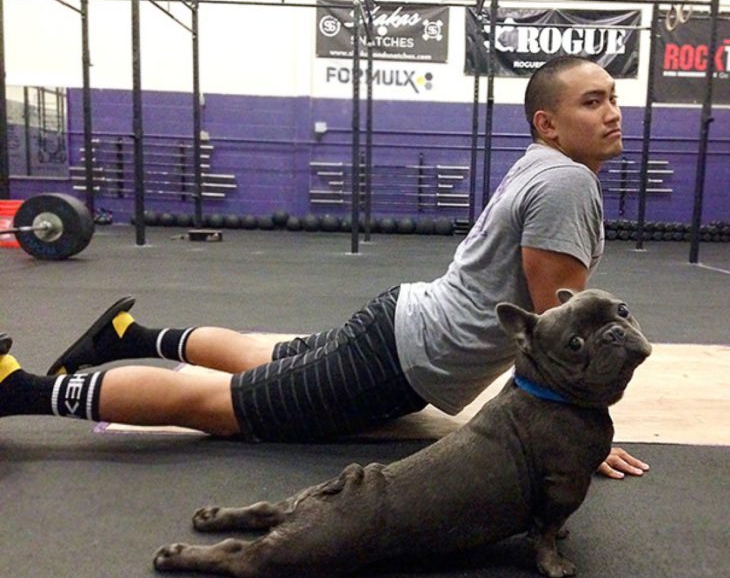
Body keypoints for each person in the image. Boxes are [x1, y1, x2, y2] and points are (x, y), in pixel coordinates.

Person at [0, 55, 648, 479]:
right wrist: (572, 430)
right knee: (220, 405)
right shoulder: (567, 182)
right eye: (592, 102)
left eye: (613, 98)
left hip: (403, 324)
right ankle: (21, 389)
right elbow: (556, 333)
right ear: (550, 123)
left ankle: (127, 338)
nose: (612, 112)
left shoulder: (542, 164)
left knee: (266, 360)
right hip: (402, 357)